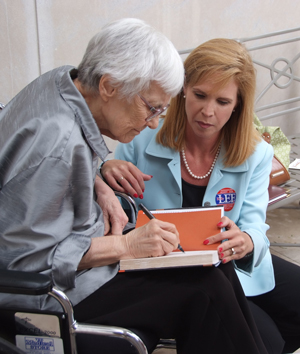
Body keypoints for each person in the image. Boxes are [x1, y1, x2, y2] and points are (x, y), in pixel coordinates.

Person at [0, 20, 269, 354]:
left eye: (162, 110)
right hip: (49, 303)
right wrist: (125, 246)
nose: (154, 122)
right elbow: (26, 264)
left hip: (82, 262)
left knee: (213, 264)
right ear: (110, 86)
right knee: (204, 292)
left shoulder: (63, 81)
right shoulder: (57, 148)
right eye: (150, 107)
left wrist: (97, 183)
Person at [101, 38, 300, 354]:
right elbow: (113, 212)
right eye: (199, 95)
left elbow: (254, 225)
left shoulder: (258, 153)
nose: (207, 112)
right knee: (265, 341)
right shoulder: (141, 135)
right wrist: (105, 170)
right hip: (164, 269)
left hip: (226, 263)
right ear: (183, 90)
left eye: (222, 102)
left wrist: (247, 240)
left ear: (238, 105)